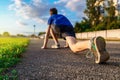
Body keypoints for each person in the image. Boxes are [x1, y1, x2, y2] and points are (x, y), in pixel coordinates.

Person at [41, 8, 110, 64]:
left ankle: (91, 43)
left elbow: (47, 32)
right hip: (70, 27)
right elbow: (66, 27)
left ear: (50, 13)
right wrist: (67, 44)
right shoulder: (62, 16)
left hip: (59, 27)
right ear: (57, 12)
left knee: (74, 47)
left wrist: (45, 45)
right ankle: (60, 44)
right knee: (71, 40)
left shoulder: (51, 17)